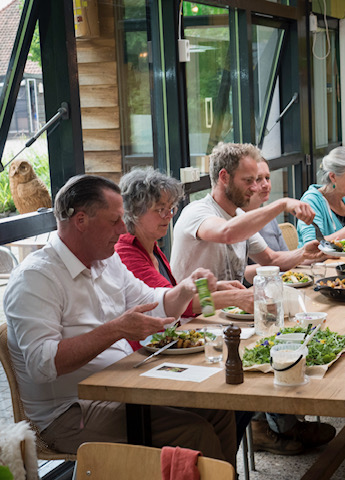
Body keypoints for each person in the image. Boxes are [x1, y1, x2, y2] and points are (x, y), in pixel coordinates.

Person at [3, 175, 237, 465]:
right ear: (80, 221)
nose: (123, 228)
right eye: (114, 220)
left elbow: (152, 304)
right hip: (68, 412)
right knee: (193, 432)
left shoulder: (107, 260)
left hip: (126, 384)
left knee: (219, 409)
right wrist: (115, 330)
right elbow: (43, 364)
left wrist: (185, 289)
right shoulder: (36, 278)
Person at [115, 168, 255, 447]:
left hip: (168, 345)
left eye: (171, 208)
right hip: (149, 354)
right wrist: (233, 299)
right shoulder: (127, 252)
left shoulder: (152, 247)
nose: (168, 216)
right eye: (160, 210)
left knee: (240, 388)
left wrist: (218, 288)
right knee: (236, 387)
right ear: (133, 212)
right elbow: (170, 305)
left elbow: (180, 296)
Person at [242, 158, 337, 454]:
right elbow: (250, 271)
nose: (264, 184)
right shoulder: (242, 217)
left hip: (274, 288)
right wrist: (292, 263)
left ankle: (288, 420)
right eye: (254, 179)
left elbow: (275, 259)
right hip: (247, 298)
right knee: (277, 341)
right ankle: (267, 426)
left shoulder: (264, 216)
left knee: (309, 330)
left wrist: (303, 256)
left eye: (267, 177)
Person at [170, 142, 325, 285]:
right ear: (224, 177)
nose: (255, 188)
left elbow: (270, 260)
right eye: (248, 180)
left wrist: (304, 253)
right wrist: (281, 204)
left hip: (226, 309)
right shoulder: (196, 211)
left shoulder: (239, 216)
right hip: (194, 314)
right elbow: (227, 233)